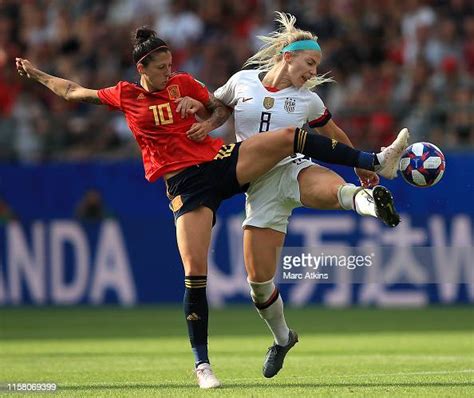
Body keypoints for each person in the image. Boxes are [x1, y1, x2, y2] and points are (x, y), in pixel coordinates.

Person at [15, 26, 408, 389]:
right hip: (185, 184)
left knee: (290, 137)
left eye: (172, 65)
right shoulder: (126, 94)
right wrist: (38, 74)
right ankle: (202, 364)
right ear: (142, 68)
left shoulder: (185, 83)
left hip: (222, 161)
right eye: (163, 67)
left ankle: (376, 162)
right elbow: (73, 92)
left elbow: (214, 109)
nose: (171, 73)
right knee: (195, 271)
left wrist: (200, 113)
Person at [178, 12, 405, 379]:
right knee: (258, 284)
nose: (313, 73)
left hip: (294, 168)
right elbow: (218, 105)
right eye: (310, 63)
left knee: (337, 192)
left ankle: (372, 204)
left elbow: (332, 134)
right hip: (259, 187)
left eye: (316, 66)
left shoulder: (308, 101)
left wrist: (361, 166)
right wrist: (208, 121)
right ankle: (283, 338)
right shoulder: (242, 82)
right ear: (287, 56)